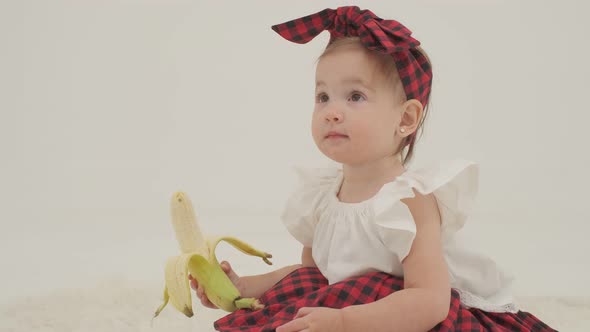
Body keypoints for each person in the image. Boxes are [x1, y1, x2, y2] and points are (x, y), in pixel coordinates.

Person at [189, 6, 557, 332]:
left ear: (407, 118)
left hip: (412, 316)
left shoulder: (408, 200)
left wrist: (345, 322)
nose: (332, 111)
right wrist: (245, 286)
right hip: (357, 308)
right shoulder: (320, 196)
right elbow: (315, 277)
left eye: (355, 96)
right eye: (322, 97)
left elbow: (429, 301)